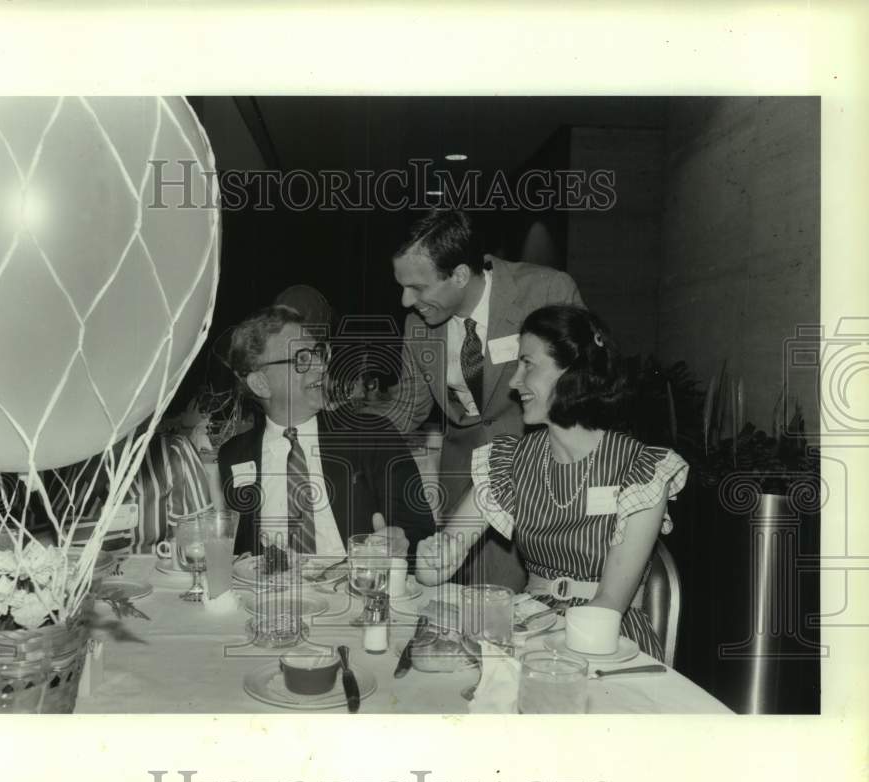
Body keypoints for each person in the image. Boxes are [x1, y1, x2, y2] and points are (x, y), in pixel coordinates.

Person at [416, 305, 688, 659]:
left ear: (572, 371)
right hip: (530, 625)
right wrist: (433, 563)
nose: (514, 382)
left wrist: (538, 652)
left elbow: (609, 603)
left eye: (527, 364)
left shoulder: (642, 469)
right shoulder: (511, 461)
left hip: (607, 638)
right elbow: (449, 546)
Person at [374, 208, 584, 589]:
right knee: (474, 605)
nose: (405, 301)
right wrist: (341, 430)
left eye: (418, 288)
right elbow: (408, 406)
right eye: (401, 286)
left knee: (540, 601)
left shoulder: (547, 292)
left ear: (458, 275)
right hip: (464, 484)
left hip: (543, 475)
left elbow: (581, 394)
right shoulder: (418, 325)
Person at [218, 305, 435, 565]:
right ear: (260, 383)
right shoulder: (233, 455)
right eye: (302, 359)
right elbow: (237, 555)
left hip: (353, 592)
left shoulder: (371, 436)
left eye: (319, 353)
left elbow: (422, 533)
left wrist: (401, 541)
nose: (321, 366)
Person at [43, 426, 215, 555]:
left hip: (152, 593)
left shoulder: (172, 452)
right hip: (75, 594)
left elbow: (198, 545)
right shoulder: (51, 461)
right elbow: (35, 546)